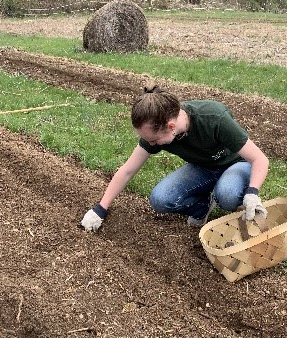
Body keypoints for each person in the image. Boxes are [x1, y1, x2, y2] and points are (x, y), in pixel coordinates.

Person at [81, 85, 269, 232]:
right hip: (203, 167)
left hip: (236, 164)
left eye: (153, 140)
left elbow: (260, 159)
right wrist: (100, 209)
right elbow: (127, 170)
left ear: (171, 126)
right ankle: (202, 206)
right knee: (161, 199)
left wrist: (252, 193)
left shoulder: (213, 118)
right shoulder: (156, 131)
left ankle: (232, 194)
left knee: (227, 195)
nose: (151, 144)